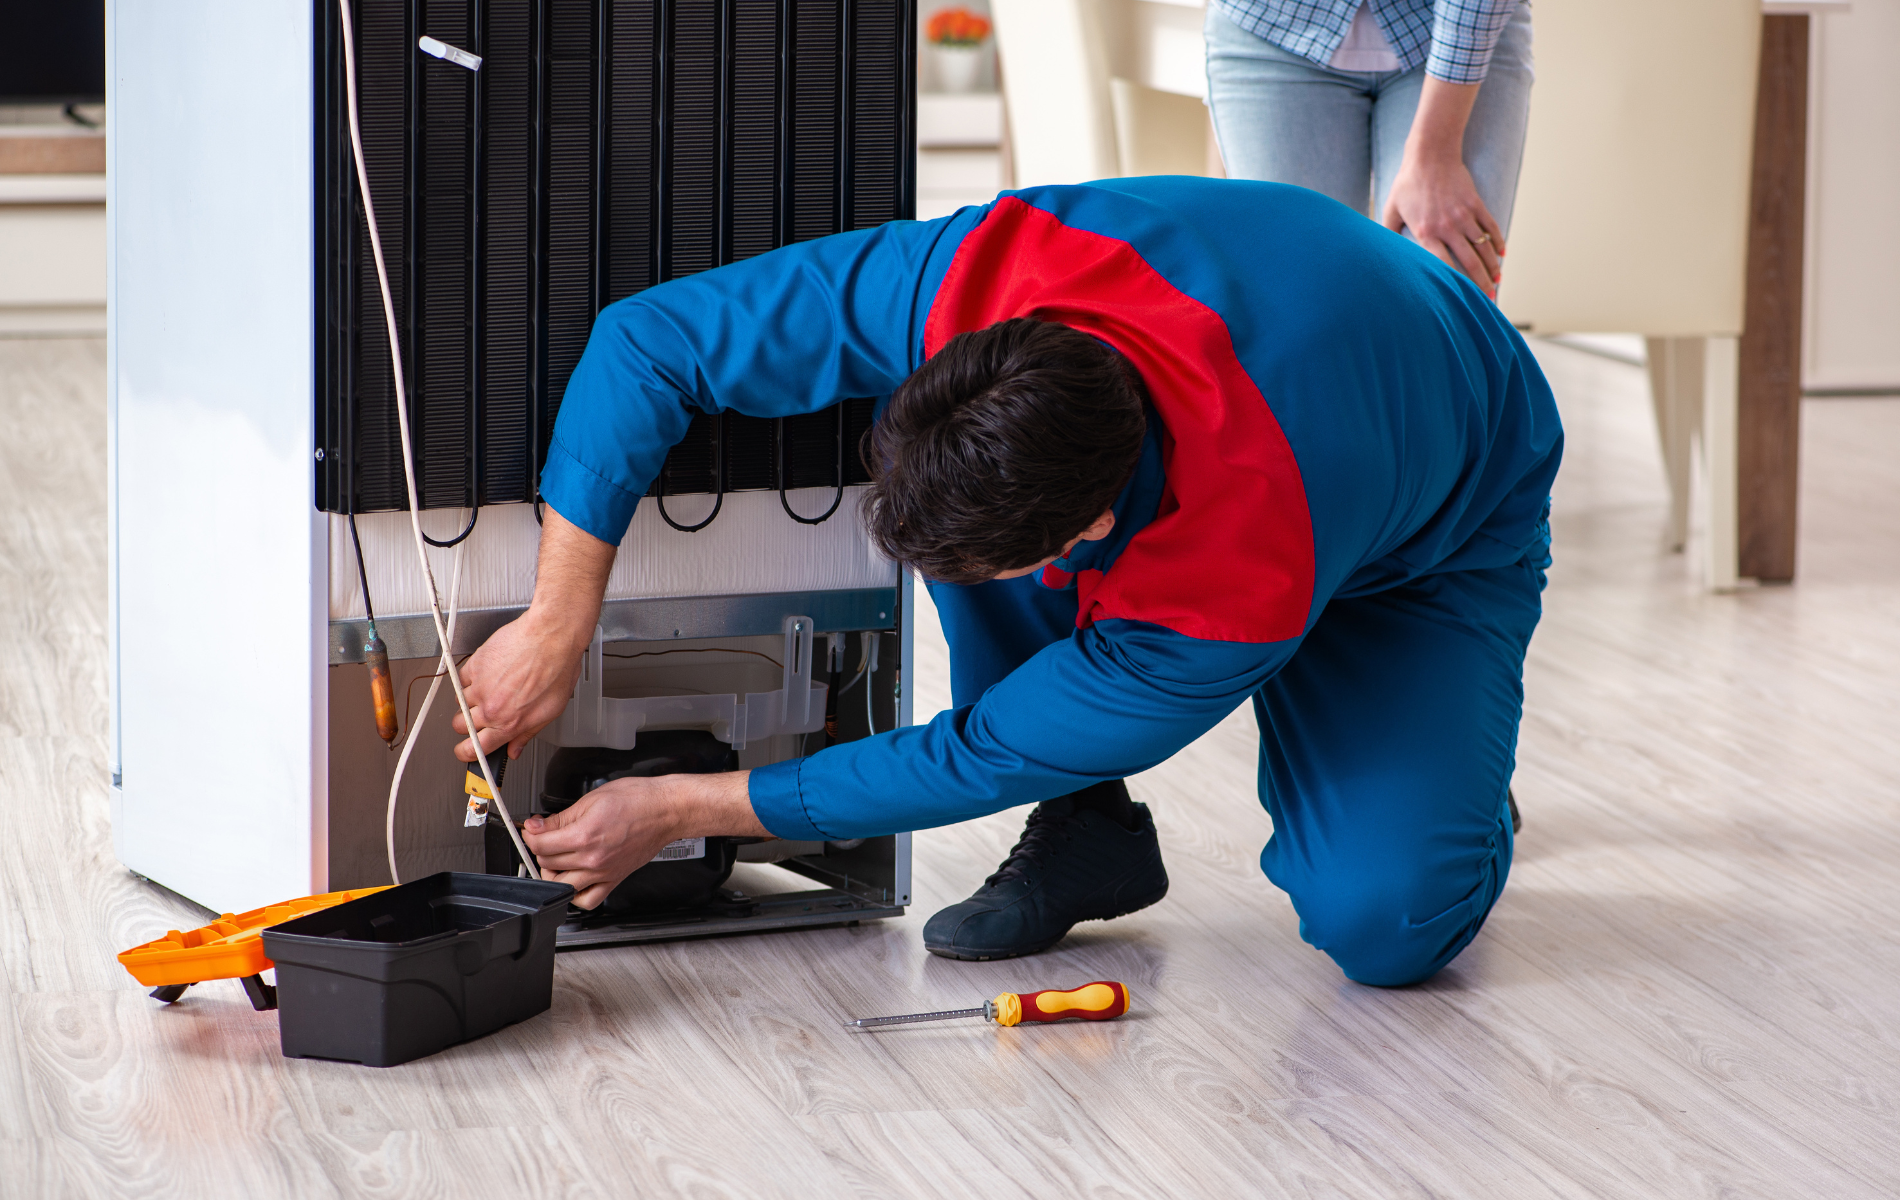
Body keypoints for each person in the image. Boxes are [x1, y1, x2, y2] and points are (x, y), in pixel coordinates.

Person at [453, 177, 1562, 987]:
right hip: (1306, 353)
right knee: (970, 537)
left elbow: (981, 750)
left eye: (1019, 564)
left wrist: (684, 808)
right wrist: (560, 617)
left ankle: (1454, 780)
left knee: (1388, 922)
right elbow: (650, 343)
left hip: (1437, 509)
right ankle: (1092, 836)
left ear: (1087, 531)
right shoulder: (981, 278)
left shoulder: (1223, 585)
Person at [1204, 0, 1534, 300]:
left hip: (1459, 29)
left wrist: (1436, 152)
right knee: (1299, 307)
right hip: (1272, 26)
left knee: (1443, 307)